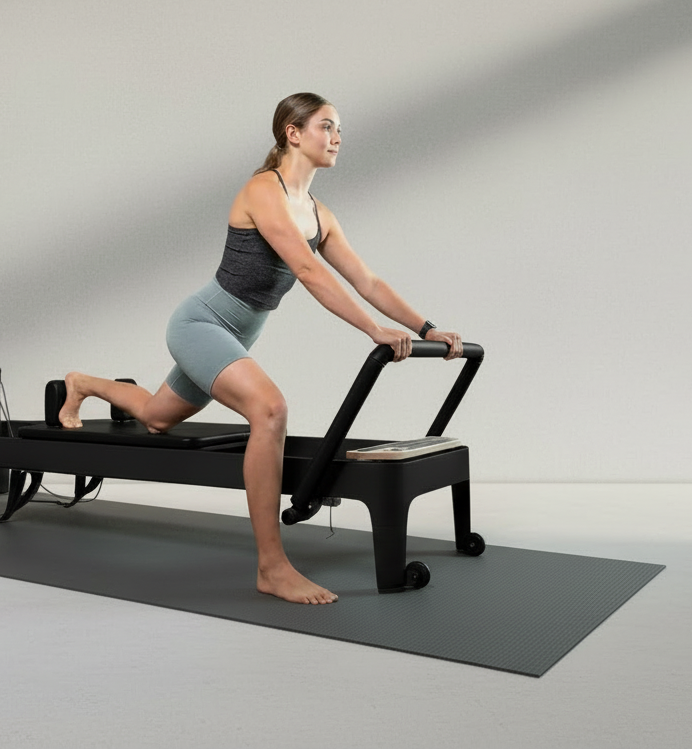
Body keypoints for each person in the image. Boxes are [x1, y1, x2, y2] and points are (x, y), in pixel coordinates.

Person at [58, 93, 464, 604]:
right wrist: (374, 331)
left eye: (339, 128)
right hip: (200, 324)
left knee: (159, 417)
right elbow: (309, 271)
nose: (337, 136)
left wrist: (426, 328)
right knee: (269, 409)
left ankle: (83, 383)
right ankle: (272, 566)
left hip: (236, 335)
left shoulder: (320, 215)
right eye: (326, 126)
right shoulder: (262, 192)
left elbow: (369, 281)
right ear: (293, 133)